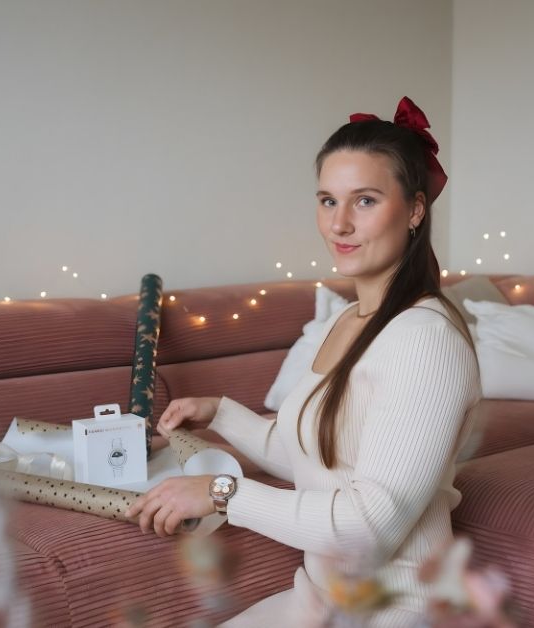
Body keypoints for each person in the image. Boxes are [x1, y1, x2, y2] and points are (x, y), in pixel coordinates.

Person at [125, 97, 481, 627]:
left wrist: (223, 494)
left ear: (414, 210)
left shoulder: (427, 339)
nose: (338, 224)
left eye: (364, 201)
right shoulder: (348, 321)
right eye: (326, 200)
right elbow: (318, 461)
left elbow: (368, 526)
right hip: (320, 597)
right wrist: (221, 412)